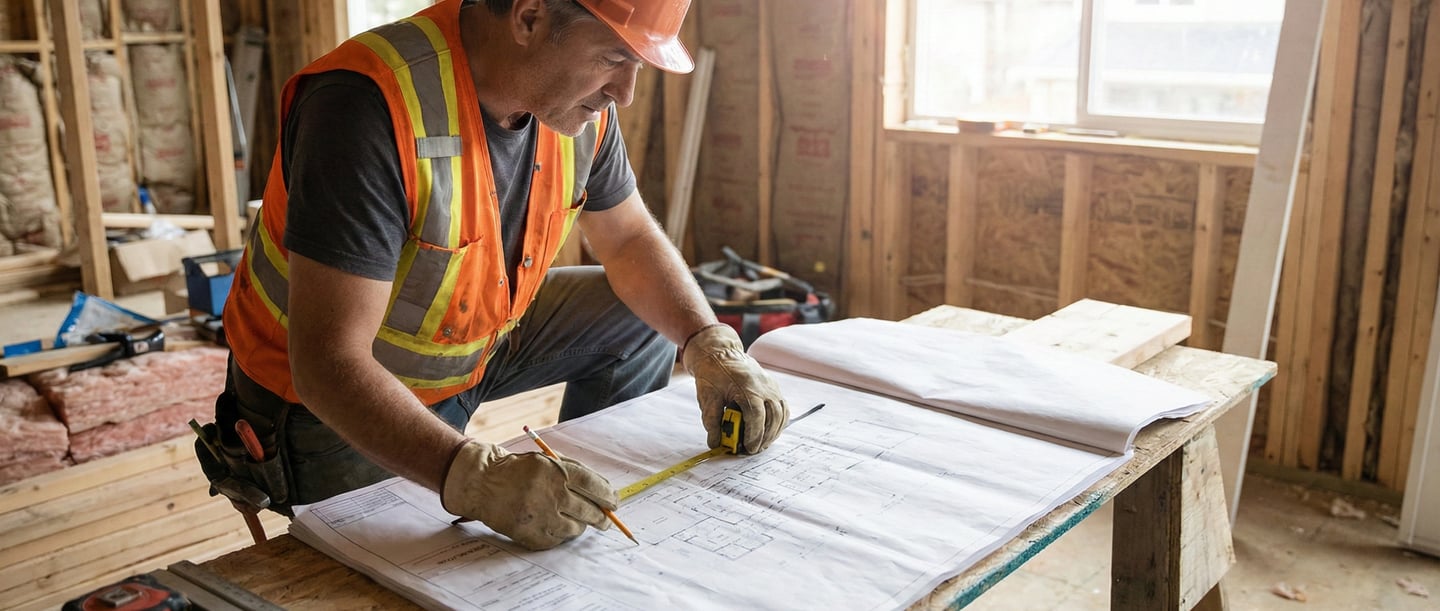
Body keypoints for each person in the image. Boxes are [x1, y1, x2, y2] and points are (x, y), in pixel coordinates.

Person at [195, 0, 789, 552]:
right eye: (614, 58)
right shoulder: (365, 106)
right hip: (324, 406)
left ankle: (570, 498)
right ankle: (508, 489)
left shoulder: (576, 109)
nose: (626, 93)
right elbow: (329, 362)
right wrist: (476, 478)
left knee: (636, 318)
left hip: (473, 346)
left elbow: (630, 239)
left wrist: (711, 343)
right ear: (529, 17)